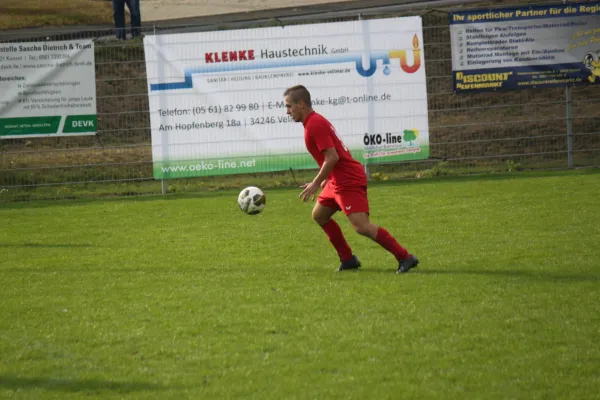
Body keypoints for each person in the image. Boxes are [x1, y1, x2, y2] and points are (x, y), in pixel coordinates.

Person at [283, 85, 419, 273]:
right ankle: (348, 259)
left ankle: (405, 257)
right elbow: (330, 157)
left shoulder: (315, 124)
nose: (287, 111)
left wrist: (315, 183)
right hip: (336, 180)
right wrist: (326, 179)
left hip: (348, 180)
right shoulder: (312, 122)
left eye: (289, 106)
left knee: (362, 226)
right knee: (319, 215)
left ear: (301, 104)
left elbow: (333, 157)